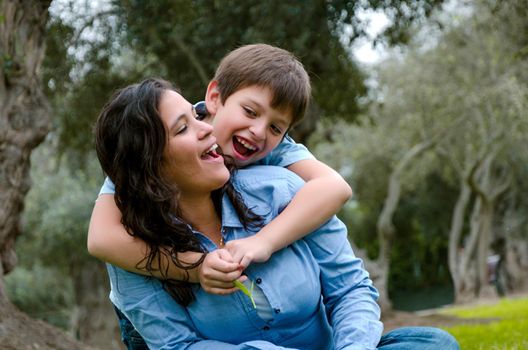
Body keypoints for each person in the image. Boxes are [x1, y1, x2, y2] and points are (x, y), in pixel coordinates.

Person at [94, 78, 459, 349]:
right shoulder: (134, 251)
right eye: (185, 126)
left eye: (197, 115)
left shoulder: (282, 187)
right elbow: (177, 345)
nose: (208, 126)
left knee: (433, 344)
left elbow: (350, 288)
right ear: (150, 162)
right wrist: (195, 267)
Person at [88, 44, 352, 296]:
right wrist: (196, 267)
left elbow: (335, 187)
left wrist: (264, 241)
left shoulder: (278, 150)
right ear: (215, 98)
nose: (259, 131)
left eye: (276, 128)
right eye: (250, 111)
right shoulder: (164, 140)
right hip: (159, 290)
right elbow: (101, 239)